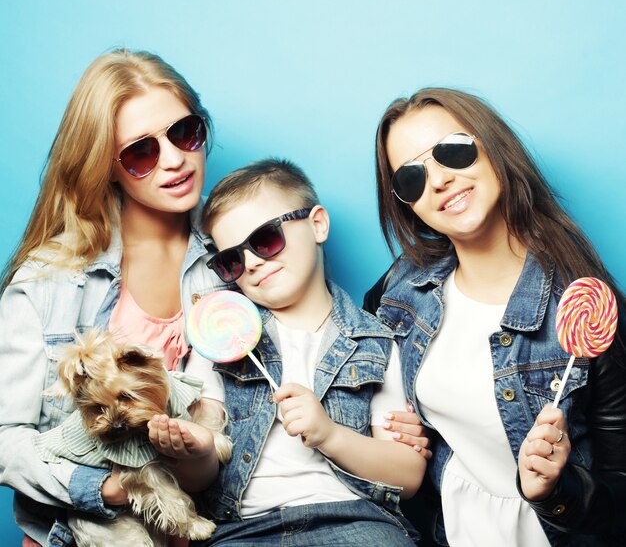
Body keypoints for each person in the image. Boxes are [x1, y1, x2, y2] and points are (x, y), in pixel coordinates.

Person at [363, 87, 626, 546]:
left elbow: (621, 492)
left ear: (494, 147)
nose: (440, 180)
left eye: (453, 151)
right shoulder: (403, 287)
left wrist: (557, 488)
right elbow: (356, 344)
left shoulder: (585, 307)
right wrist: (390, 421)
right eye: (411, 177)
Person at [0, 49, 229, 547]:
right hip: (84, 532)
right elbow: (6, 441)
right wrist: (111, 488)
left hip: (216, 525)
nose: (174, 160)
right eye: (141, 152)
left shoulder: (238, 245)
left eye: (185, 132)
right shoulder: (48, 280)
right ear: (106, 165)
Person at [190, 158, 429, 546]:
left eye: (265, 239)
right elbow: (198, 476)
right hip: (244, 529)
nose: (251, 263)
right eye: (232, 260)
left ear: (317, 224)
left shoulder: (375, 342)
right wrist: (191, 450)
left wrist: (328, 434)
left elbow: (408, 476)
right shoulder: (218, 335)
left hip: (355, 520)